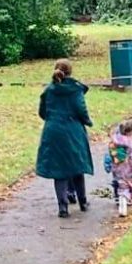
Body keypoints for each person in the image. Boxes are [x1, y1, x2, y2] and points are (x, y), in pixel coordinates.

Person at [35, 59, 93, 217]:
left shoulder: (49, 90)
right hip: (73, 130)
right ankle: (83, 202)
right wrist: (87, 121)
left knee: (58, 170)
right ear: (70, 72)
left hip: (53, 131)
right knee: (77, 167)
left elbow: (42, 112)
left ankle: (63, 207)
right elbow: (81, 110)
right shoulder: (75, 90)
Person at [105, 120, 132, 213]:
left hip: (118, 170)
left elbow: (109, 157)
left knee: (122, 189)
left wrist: (109, 167)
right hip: (130, 170)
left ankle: (122, 210)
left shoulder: (113, 143)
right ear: (130, 132)